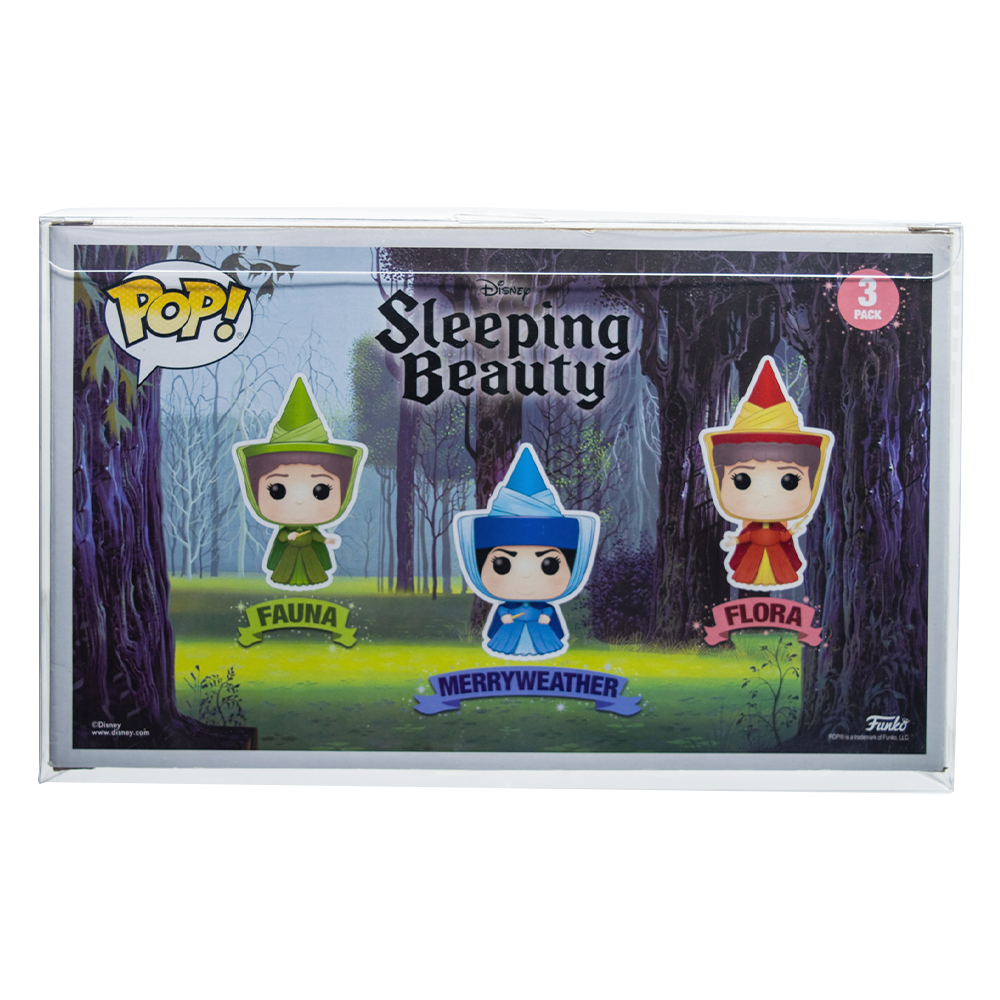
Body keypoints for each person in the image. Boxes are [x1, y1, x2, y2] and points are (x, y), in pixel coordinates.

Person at [700, 357, 834, 591]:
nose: (765, 494)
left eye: (789, 481)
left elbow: (785, 538)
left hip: (779, 557)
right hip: (751, 556)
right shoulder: (749, 529)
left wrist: (792, 531)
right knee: (749, 569)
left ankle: (777, 578)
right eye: (742, 480)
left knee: (780, 569)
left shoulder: (781, 529)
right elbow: (744, 538)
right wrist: (735, 540)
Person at [454, 444, 599, 659]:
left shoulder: (546, 608)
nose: (525, 574)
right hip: (509, 633)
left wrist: (547, 618)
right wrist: (504, 618)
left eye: (549, 565)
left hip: (541, 634)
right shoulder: (504, 608)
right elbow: (498, 620)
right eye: (501, 565)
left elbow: (553, 620)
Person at [233, 376, 366, 590]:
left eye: (321, 491)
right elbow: (282, 537)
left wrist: (327, 541)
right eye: (277, 490)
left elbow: (317, 537)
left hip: (311, 557)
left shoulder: (312, 531)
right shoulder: (285, 531)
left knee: (312, 571)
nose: (299, 501)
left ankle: (311, 579)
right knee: (286, 571)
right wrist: (289, 536)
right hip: (288, 556)